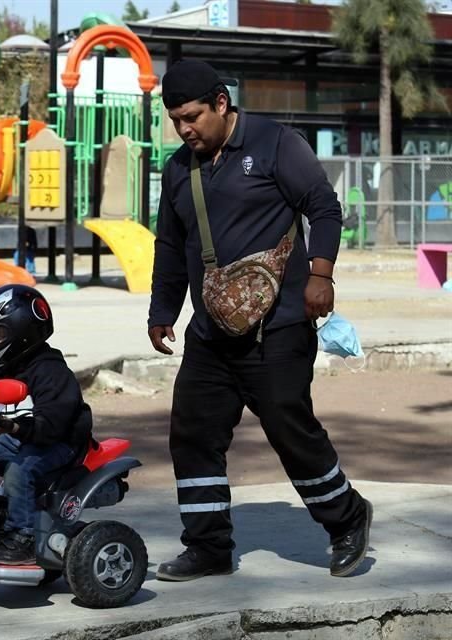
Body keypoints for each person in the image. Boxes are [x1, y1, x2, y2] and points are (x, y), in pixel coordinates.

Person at [148, 59, 372, 581]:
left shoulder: (276, 144)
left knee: (291, 433)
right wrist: (163, 310)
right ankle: (207, 547)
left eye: (192, 117)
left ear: (220, 104)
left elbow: (323, 207)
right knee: (193, 433)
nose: (185, 129)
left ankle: (347, 519)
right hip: (209, 335)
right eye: (176, 120)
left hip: (280, 327)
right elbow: (170, 244)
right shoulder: (179, 168)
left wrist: (322, 275)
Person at [0, 284, 93, 565]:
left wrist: (14, 428)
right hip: (25, 436)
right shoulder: (10, 368)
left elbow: (52, 425)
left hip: (61, 443)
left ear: (22, 332)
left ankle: (22, 536)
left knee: (18, 472)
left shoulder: (51, 371)